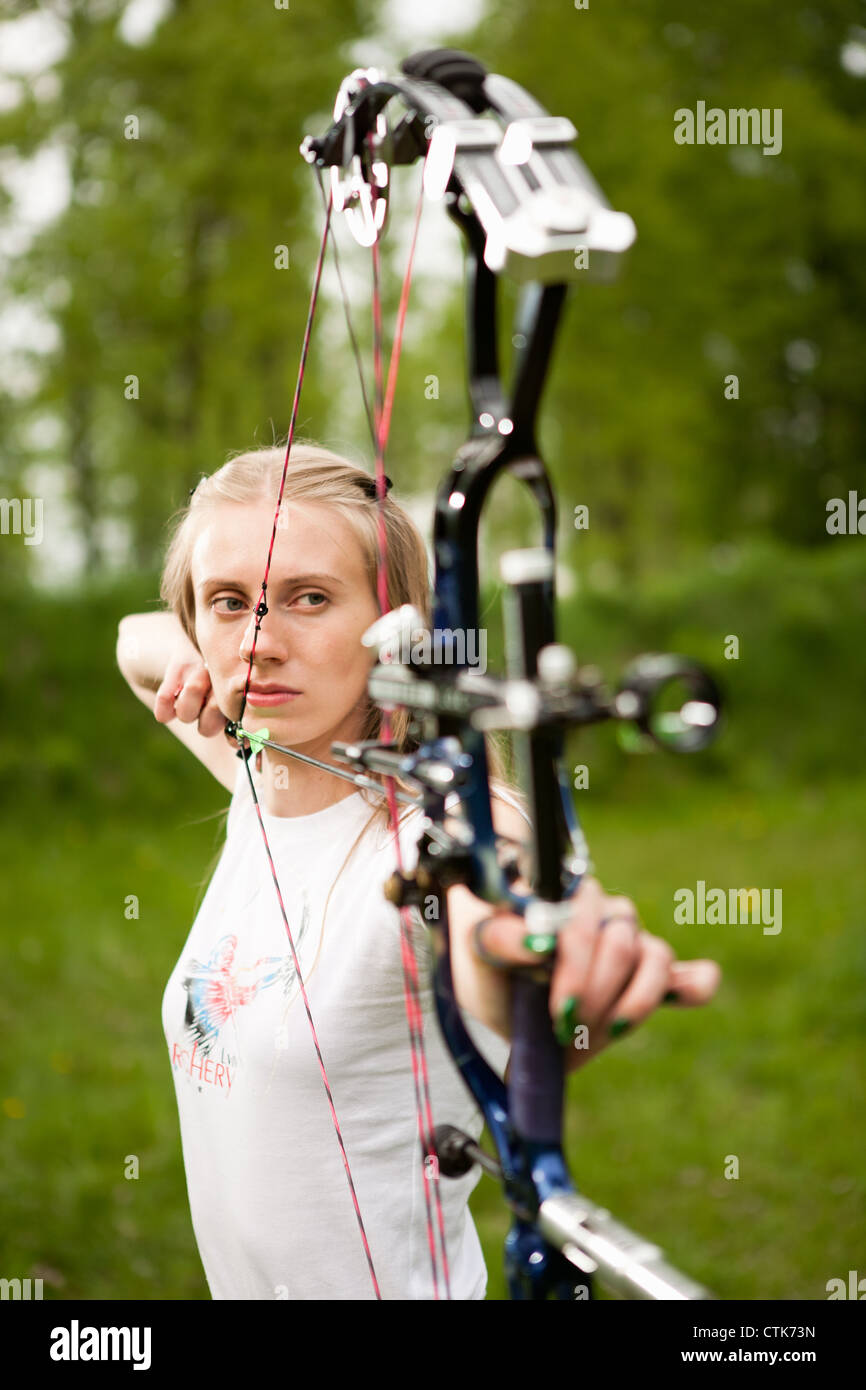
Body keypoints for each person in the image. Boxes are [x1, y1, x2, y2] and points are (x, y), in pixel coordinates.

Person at [116, 442, 720, 1300]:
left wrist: (545, 966)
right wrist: (185, 657)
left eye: (310, 598)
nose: (261, 643)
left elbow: (485, 917)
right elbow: (129, 640)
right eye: (228, 603)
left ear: (395, 622)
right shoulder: (264, 774)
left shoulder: (432, 837)